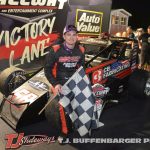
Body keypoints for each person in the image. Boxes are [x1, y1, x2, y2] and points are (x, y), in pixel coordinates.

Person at [44, 24, 85, 143]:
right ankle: (64, 132)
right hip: (59, 82)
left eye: (74, 35)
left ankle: (82, 123)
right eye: (69, 35)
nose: (71, 37)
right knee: (63, 105)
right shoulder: (56, 50)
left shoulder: (81, 50)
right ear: (64, 36)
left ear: (77, 36)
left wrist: (82, 83)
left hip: (74, 81)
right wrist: (55, 84)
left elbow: (81, 68)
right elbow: (47, 69)